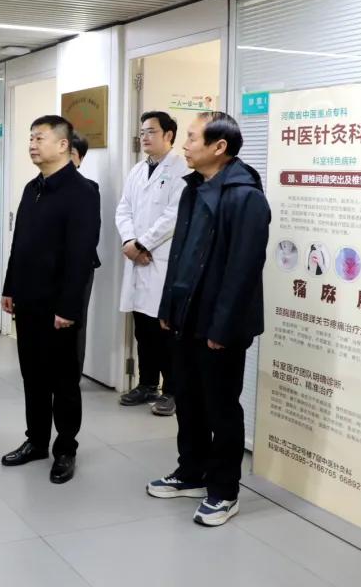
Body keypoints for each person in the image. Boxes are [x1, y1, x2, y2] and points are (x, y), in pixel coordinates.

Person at [146, 112, 269, 528]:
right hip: (187, 315)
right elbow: (179, 254)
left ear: (219, 147)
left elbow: (244, 270)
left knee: (221, 407)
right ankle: (191, 472)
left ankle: (224, 491)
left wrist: (223, 327)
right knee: (188, 399)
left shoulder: (245, 197)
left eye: (193, 138)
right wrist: (168, 307)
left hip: (221, 323)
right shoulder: (193, 188)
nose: (185, 144)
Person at [1, 115, 100, 485]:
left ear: (62, 145)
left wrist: (69, 308)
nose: (32, 144)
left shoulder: (82, 191)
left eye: (39, 138)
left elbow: (81, 255)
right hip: (28, 299)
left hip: (59, 305)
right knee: (32, 375)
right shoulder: (33, 188)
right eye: (30, 138)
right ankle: (36, 440)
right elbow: (20, 243)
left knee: (63, 380)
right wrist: (10, 287)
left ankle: (65, 448)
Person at [114, 111, 189, 417]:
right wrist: (130, 242)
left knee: (165, 330)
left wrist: (142, 244)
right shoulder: (137, 170)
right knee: (143, 329)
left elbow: (173, 216)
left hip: (161, 259)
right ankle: (147, 384)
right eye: (142, 131)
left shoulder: (181, 169)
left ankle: (172, 390)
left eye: (151, 131)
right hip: (138, 256)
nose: (145, 136)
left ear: (169, 135)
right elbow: (123, 209)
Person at [68, 133, 102, 369]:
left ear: (80, 159)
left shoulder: (89, 189)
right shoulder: (38, 187)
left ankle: (72, 373)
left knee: (75, 321)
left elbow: (91, 234)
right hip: (47, 269)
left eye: (71, 154)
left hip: (79, 267)